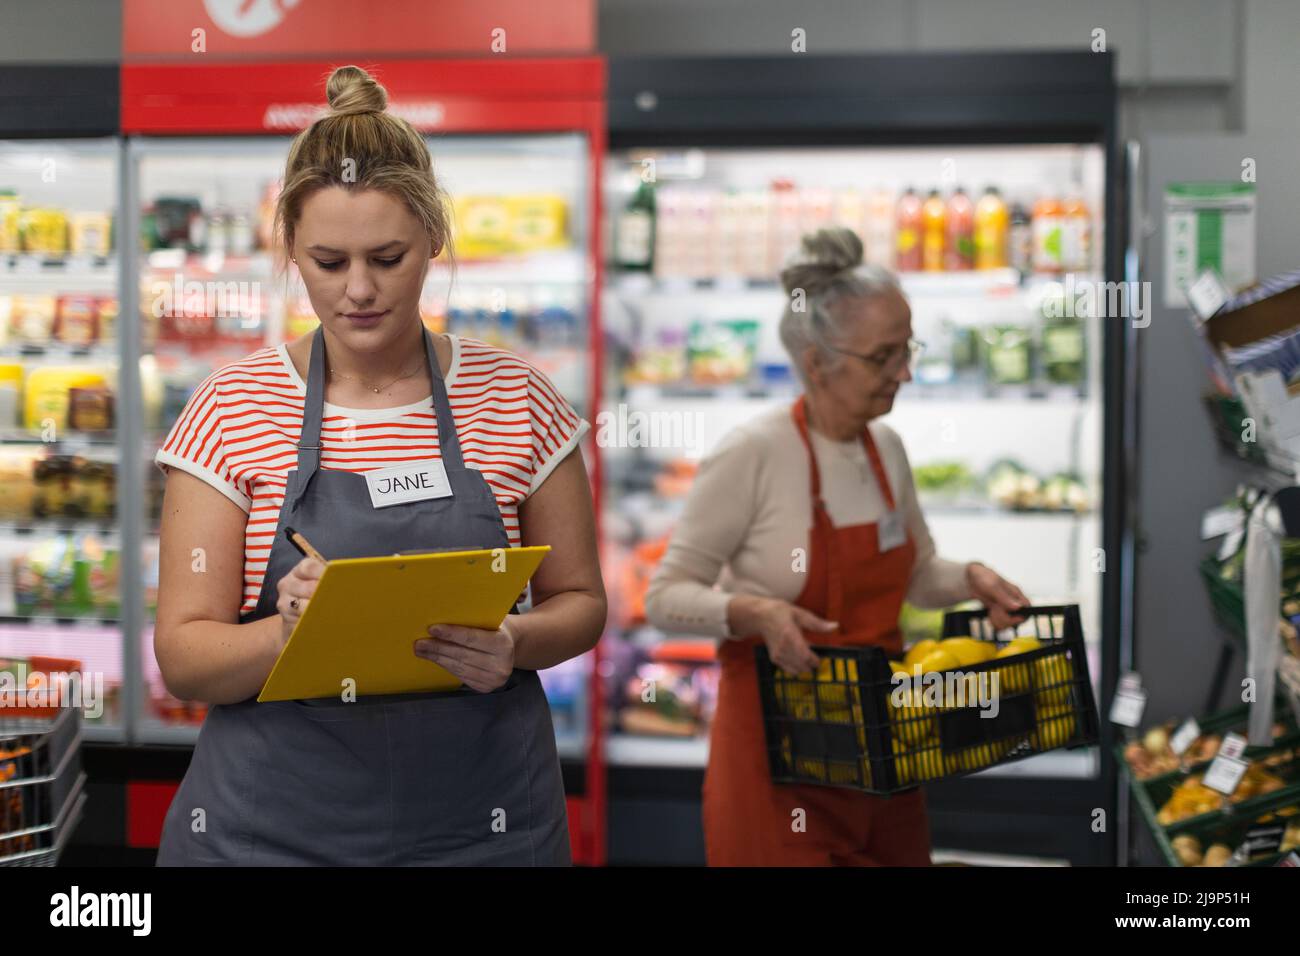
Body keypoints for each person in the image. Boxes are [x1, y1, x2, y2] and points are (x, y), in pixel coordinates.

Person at [152, 65, 606, 866]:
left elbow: (581, 604)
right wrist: (285, 634)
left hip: (484, 830)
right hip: (273, 836)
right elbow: (185, 658)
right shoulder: (231, 406)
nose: (358, 290)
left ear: (434, 239)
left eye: (388, 258)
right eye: (328, 262)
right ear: (290, 247)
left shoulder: (518, 397)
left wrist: (515, 642)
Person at [644, 227, 1030, 867]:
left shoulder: (886, 450)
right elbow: (664, 598)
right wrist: (756, 613)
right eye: (883, 357)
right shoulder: (754, 452)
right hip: (779, 759)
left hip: (886, 749)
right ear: (818, 360)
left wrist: (972, 578)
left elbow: (918, 573)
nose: (904, 372)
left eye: (907, 349)